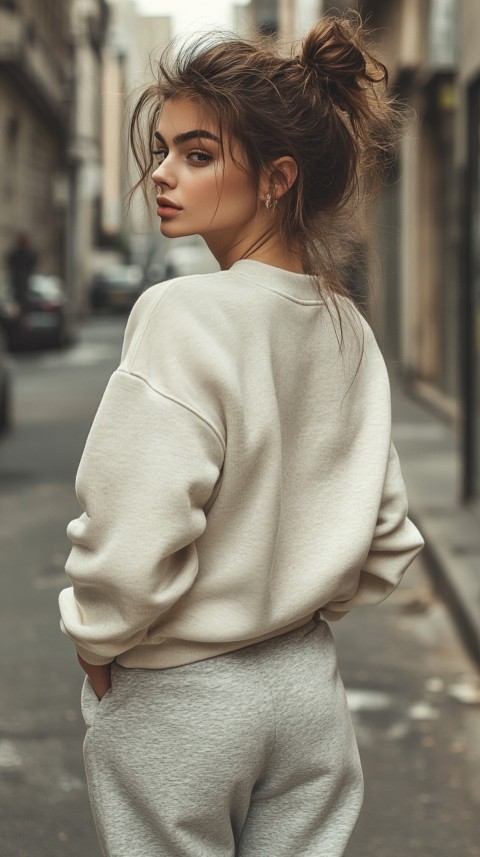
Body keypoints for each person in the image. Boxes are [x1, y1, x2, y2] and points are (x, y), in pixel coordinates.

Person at [59, 15, 424, 857]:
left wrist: (96, 634)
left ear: (275, 177)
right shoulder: (346, 326)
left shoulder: (182, 313)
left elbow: (132, 528)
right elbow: (388, 534)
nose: (161, 174)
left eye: (196, 153)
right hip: (307, 691)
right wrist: (294, 597)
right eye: (161, 149)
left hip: (183, 696)